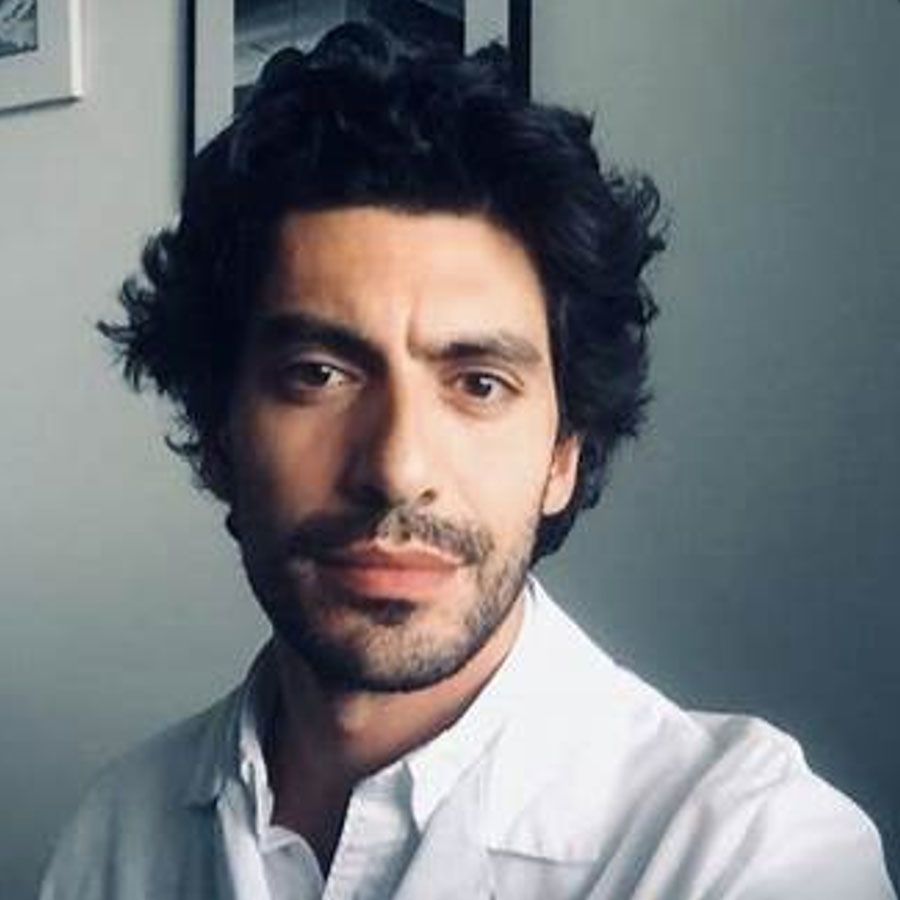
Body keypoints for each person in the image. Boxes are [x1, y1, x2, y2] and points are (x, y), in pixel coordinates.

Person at [40, 24, 895, 900]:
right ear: (219, 434)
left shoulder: (749, 853)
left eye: (479, 384)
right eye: (318, 375)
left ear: (564, 453)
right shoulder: (116, 832)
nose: (397, 468)